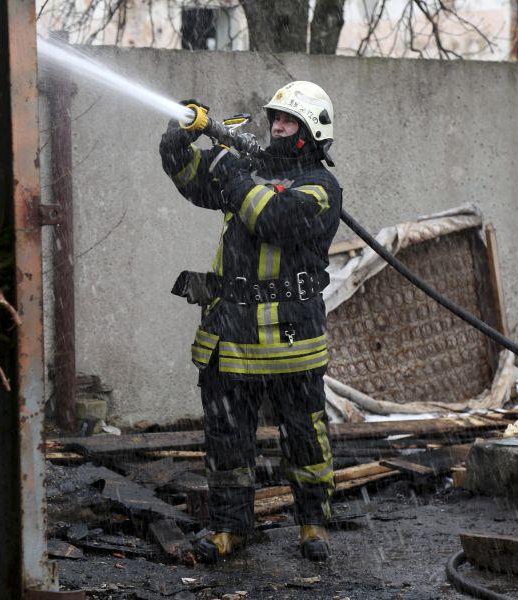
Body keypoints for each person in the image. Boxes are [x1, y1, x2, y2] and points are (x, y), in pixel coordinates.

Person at [159, 81, 342, 563]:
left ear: (311, 131)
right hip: (231, 334)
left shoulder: (321, 189)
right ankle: (230, 528)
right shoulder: (249, 169)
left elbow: (273, 219)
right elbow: (191, 179)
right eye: (275, 118)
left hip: (293, 338)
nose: (277, 127)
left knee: (305, 437)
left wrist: (231, 169)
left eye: (289, 121)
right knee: (227, 440)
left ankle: (313, 524)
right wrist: (181, 136)